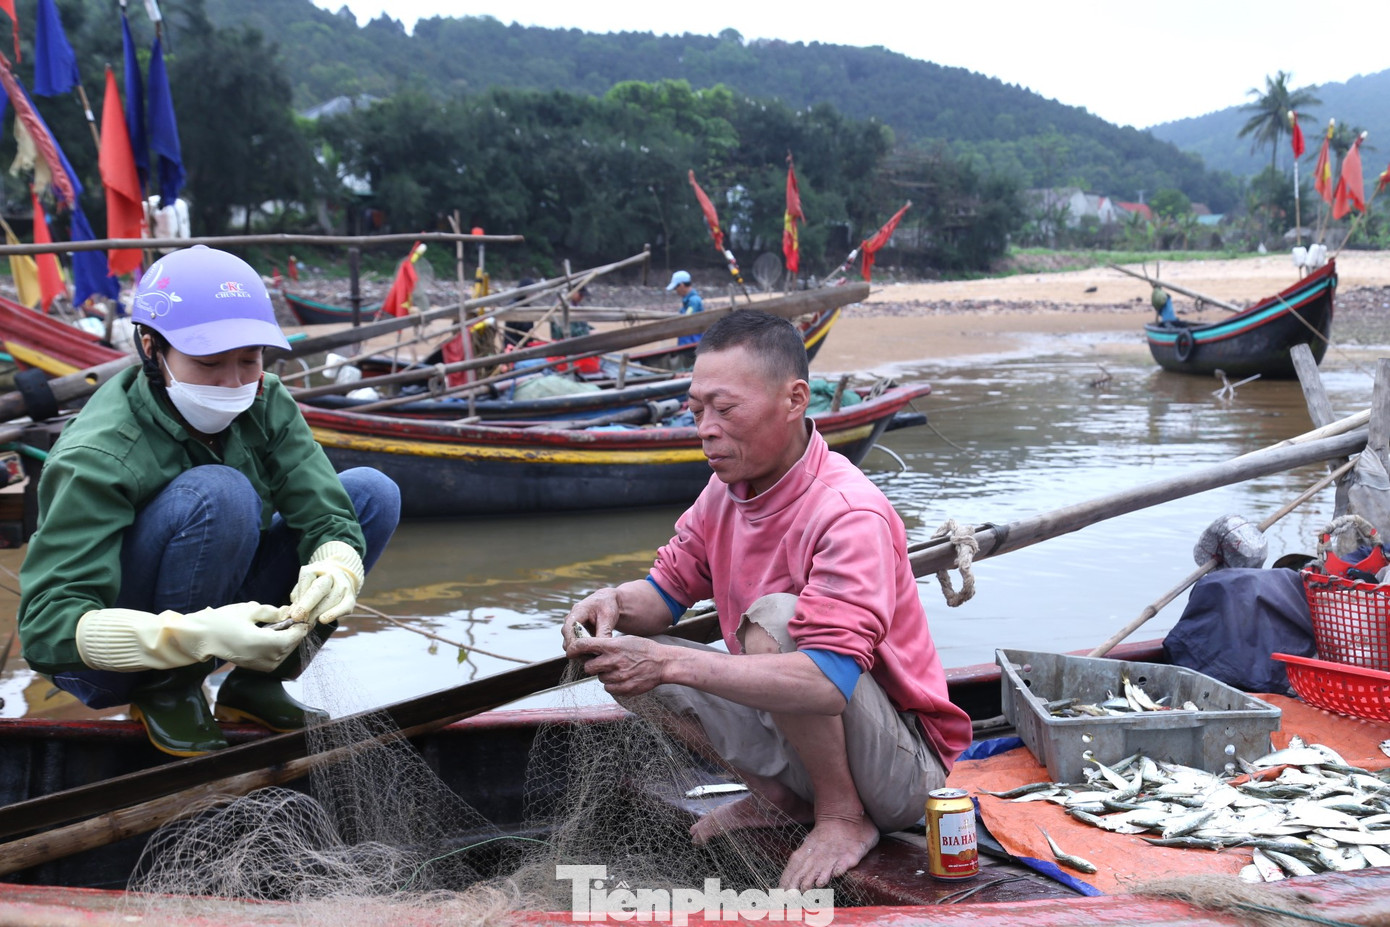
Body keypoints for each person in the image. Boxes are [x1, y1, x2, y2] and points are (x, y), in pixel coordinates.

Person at [563, 310, 971, 891]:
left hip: (903, 772)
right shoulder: (723, 492)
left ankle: (841, 816)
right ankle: (779, 795)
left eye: (725, 410)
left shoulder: (847, 513)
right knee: (623, 653)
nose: (705, 427)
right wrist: (608, 605)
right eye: (697, 408)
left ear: (794, 400)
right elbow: (662, 594)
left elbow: (828, 683)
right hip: (798, 739)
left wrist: (673, 662)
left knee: (773, 621)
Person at [18, 246, 401, 758]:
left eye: (250, 359)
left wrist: (337, 566)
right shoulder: (98, 453)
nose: (234, 382)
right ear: (152, 348)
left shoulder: (265, 400)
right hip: (116, 660)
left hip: (223, 612)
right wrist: (188, 637)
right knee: (221, 492)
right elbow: (47, 628)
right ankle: (168, 689)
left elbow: (327, 511)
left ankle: (258, 682)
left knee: (372, 494)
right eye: (208, 363)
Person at [667, 270, 704, 346]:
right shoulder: (687, 301)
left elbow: (687, 319)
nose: (676, 291)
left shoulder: (694, 301)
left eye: (675, 288)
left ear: (681, 285)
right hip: (687, 343)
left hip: (692, 344)